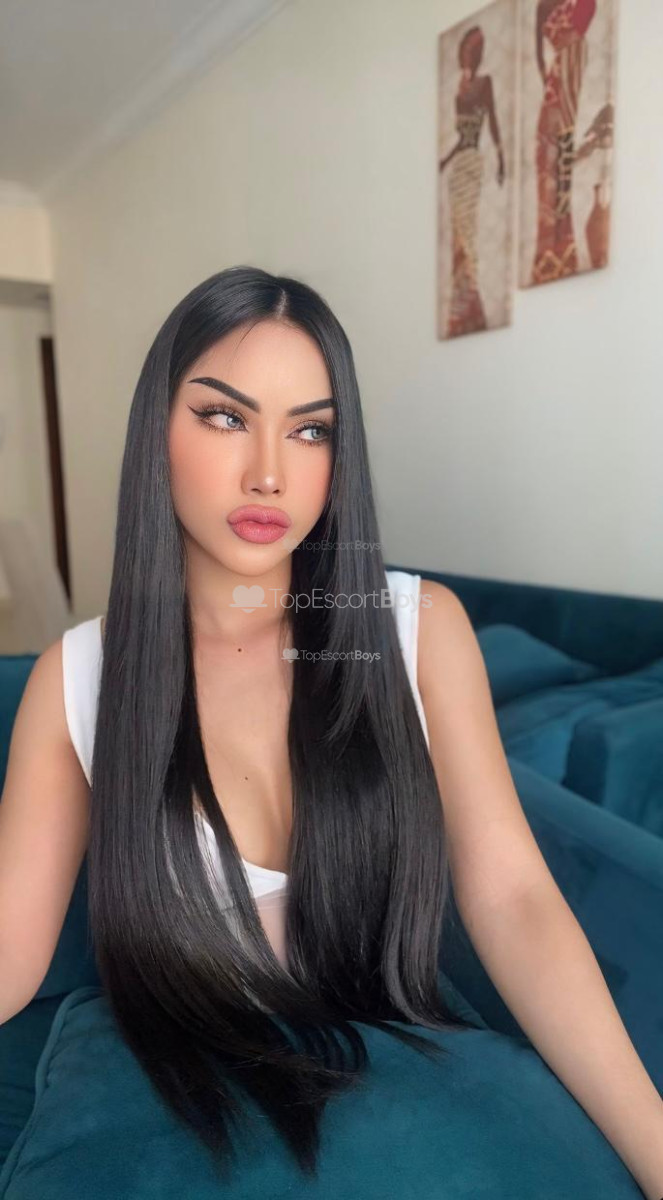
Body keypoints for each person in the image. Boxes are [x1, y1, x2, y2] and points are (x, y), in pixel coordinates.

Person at [2, 266, 662, 1196]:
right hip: (179, 1084)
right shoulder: (77, 677)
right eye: (224, 417)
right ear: (156, 431)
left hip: (400, 1063)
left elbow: (515, 898)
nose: (269, 471)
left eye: (311, 430)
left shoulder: (415, 628)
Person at [439, 25, 505, 337]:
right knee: (458, 236)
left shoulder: (484, 84)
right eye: (467, 51)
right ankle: (461, 307)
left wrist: (502, 160)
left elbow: (493, 124)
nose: (470, 56)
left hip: (472, 165)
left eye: (474, 51)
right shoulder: (459, 91)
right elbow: (460, 139)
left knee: (468, 233)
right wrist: (444, 161)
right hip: (457, 167)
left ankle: (473, 304)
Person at [531, 0, 597, 283]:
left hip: (573, 76)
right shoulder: (543, 6)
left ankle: (564, 243)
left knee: (565, 154)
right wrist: (548, 81)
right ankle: (549, 248)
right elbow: (539, 52)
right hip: (556, 85)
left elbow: (586, 15)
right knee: (549, 160)